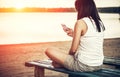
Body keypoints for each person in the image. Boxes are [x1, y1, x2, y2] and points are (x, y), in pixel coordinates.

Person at [45, 0, 105, 72]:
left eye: (77, 8)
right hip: (98, 64)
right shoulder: (99, 22)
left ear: (81, 8)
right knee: (57, 62)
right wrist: (74, 34)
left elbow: (73, 50)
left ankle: (62, 64)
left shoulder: (80, 22)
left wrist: (67, 58)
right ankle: (61, 63)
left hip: (83, 65)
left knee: (49, 50)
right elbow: (89, 40)